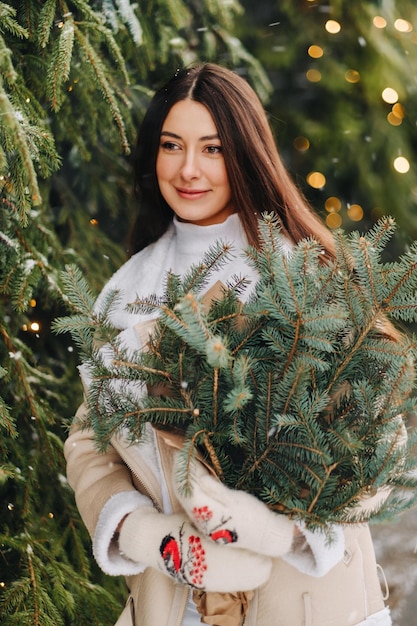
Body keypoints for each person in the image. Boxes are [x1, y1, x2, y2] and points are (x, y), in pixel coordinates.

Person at [64, 63, 394, 626]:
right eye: (172, 145)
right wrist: (142, 531)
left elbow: (378, 440)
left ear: (244, 153)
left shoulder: (303, 277)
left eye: (212, 148)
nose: (188, 169)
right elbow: (90, 438)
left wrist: (275, 529)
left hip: (307, 605)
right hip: (174, 605)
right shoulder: (128, 293)